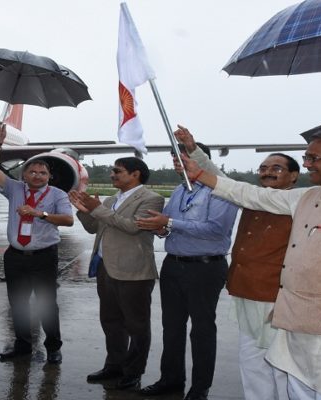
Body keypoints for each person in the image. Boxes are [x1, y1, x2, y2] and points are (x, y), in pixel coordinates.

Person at [181, 130, 321, 400]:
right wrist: (200, 174)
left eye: (314, 158)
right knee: (296, 390)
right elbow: (250, 194)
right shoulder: (305, 196)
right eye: (306, 157)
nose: (307, 164)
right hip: (294, 322)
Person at [174, 125, 299, 399]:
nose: (267, 171)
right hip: (245, 290)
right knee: (251, 356)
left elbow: (226, 185)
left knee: (279, 360)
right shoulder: (255, 197)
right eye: (263, 167)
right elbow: (224, 182)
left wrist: (198, 162)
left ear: (294, 176)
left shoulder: (295, 201)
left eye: (276, 168)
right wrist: (193, 149)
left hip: (274, 295)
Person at [136, 142, 238, 400]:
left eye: (182, 157)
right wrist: (161, 228)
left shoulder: (221, 191)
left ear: (201, 160)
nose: (176, 163)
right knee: (171, 326)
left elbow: (216, 229)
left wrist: (169, 222)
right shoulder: (180, 190)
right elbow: (171, 224)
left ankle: (200, 387)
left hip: (205, 267)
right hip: (174, 264)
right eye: (173, 158)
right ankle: (170, 379)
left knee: (202, 329)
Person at [69, 157, 164, 391]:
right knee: (111, 322)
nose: (112, 174)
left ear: (136, 174)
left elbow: (133, 227)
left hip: (134, 271)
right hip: (106, 268)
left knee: (137, 325)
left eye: (117, 171)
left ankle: (133, 371)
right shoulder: (112, 199)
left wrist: (97, 208)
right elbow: (95, 227)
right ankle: (114, 365)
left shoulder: (152, 199)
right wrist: (84, 211)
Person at [0, 124, 73, 364]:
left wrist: (39, 214)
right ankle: (22, 345)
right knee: (18, 303)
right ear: (24, 175)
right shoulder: (14, 188)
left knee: (47, 304)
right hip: (15, 256)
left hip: (44, 257)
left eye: (42, 173)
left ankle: (53, 347)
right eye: (32, 172)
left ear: (49, 177)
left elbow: (68, 220)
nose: (37, 176)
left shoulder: (57, 195)